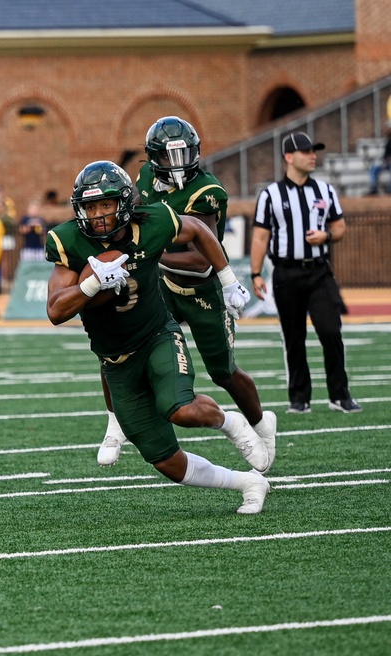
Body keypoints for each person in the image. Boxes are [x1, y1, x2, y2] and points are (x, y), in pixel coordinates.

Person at [45, 160, 271, 514]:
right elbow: (56, 311)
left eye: (106, 204)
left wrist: (227, 279)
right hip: (116, 361)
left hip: (156, 336)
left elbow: (197, 228)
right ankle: (247, 482)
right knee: (166, 462)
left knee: (179, 408)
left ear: (123, 203)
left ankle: (233, 423)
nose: (99, 215)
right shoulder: (68, 240)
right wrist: (91, 284)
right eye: (90, 207)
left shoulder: (153, 222)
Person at [95, 116, 276, 469]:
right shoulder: (144, 177)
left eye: (184, 155)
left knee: (223, 372)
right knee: (116, 346)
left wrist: (146, 250)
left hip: (202, 290)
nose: (177, 166)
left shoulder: (207, 190)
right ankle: (115, 424)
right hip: (160, 286)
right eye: (168, 157)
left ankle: (261, 425)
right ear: (152, 157)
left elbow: (199, 259)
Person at [250, 131, 360, 414]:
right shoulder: (271, 195)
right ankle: (300, 398)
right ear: (289, 156)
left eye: (314, 151)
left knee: (330, 330)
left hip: (319, 272)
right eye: (307, 151)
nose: (313, 156)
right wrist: (255, 273)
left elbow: (340, 228)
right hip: (286, 273)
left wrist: (325, 236)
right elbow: (261, 236)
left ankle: (340, 395)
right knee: (293, 336)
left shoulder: (325, 190)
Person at [366, 129, 391, 195]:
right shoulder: (388, 143)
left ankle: (389, 189)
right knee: (374, 169)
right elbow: (385, 156)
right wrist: (385, 162)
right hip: (387, 163)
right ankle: (373, 188)